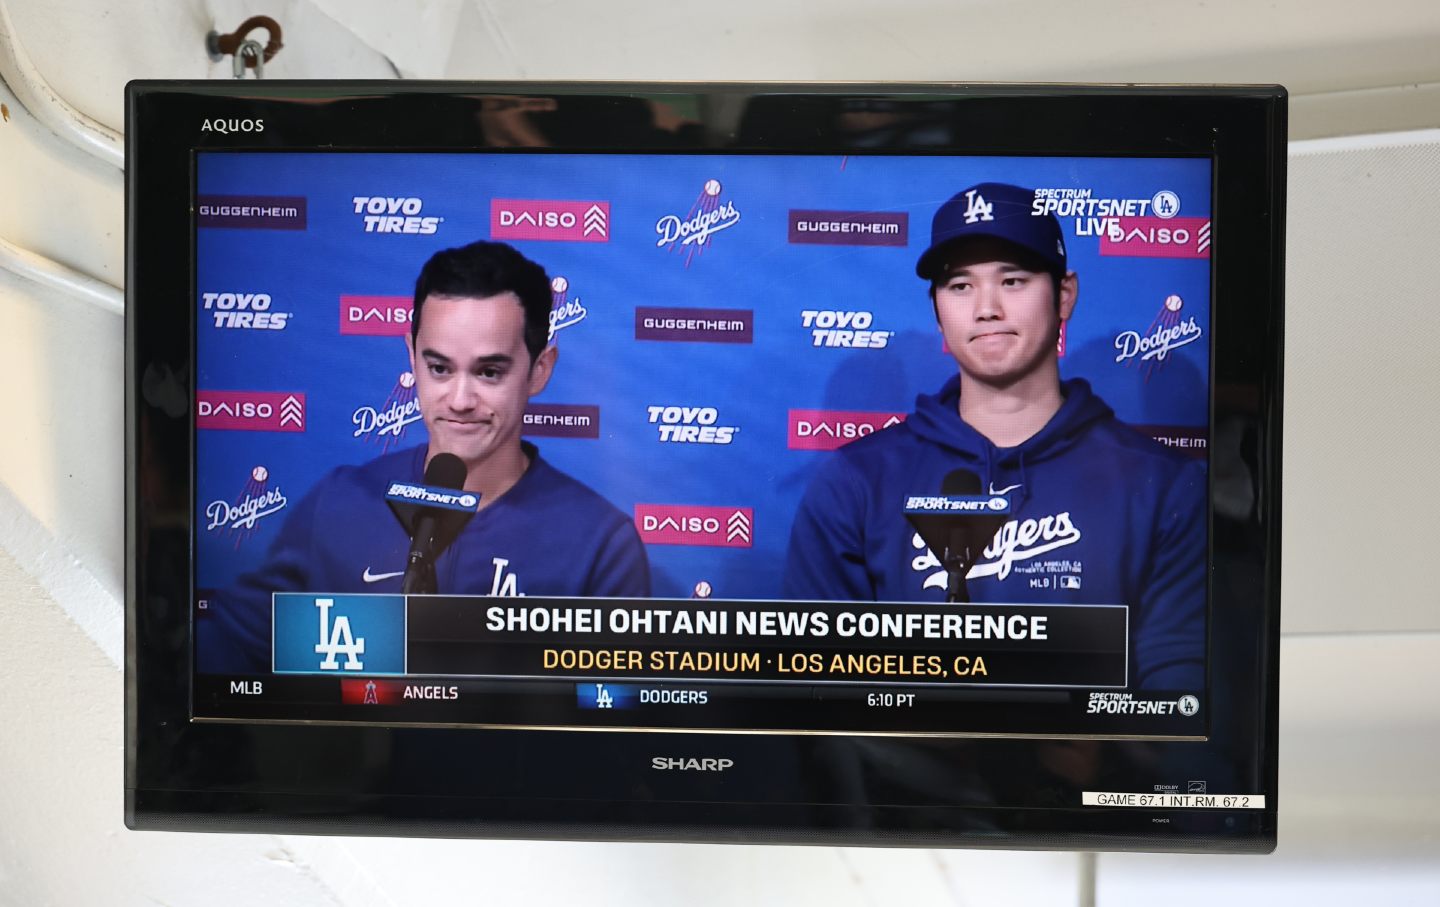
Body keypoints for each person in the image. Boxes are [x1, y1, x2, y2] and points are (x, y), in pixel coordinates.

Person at [782, 182, 1204, 690]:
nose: (986, 309)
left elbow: (1178, 698)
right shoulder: (857, 482)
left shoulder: (1161, 485)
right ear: (937, 308)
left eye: (1013, 281)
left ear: (1064, 295)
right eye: (960, 286)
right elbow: (818, 693)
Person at [199, 240, 649, 673]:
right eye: (439, 368)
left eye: (489, 372)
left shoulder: (600, 544)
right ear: (411, 356)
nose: (459, 399)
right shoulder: (341, 502)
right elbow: (223, 664)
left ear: (540, 370)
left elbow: (614, 723)